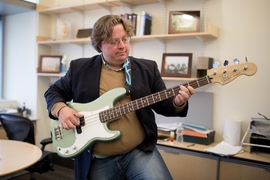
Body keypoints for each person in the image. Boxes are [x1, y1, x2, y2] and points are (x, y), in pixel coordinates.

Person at [44, 14, 195, 180]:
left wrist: (178, 102)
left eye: (125, 39)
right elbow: (53, 92)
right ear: (100, 44)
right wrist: (62, 110)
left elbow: (162, 105)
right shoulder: (80, 68)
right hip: (98, 160)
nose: (122, 46)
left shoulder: (147, 68)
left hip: (138, 153)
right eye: (114, 41)